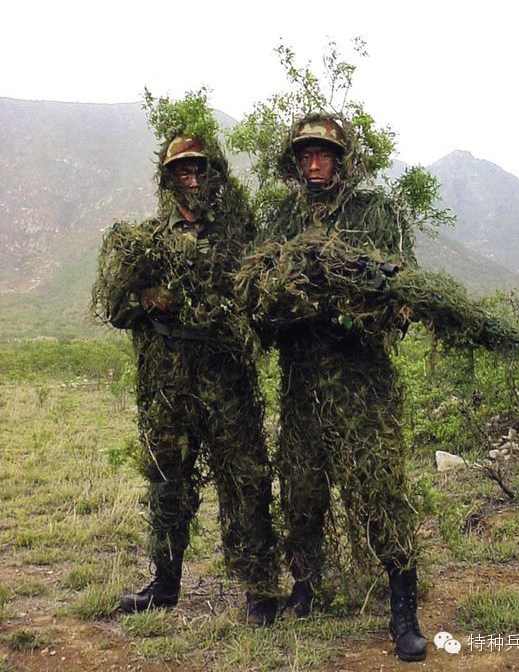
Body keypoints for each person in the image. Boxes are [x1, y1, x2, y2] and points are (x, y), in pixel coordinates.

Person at [236, 112, 519, 661]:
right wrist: (293, 303)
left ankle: (403, 614)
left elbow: (401, 297)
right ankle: (304, 590)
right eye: (306, 155)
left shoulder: (375, 213)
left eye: (324, 155)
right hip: (301, 386)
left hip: (362, 387)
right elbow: (258, 299)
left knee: (381, 496)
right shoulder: (281, 219)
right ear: (295, 162)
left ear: (342, 161)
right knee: (301, 494)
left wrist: (352, 308)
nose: (314, 164)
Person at [93, 131, 279, 625]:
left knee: (245, 483)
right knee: (167, 484)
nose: (192, 178)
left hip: (227, 384)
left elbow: (258, 306)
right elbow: (114, 308)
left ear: (212, 176)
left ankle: (259, 591)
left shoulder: (236, 239)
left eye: (199, 170)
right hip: (167, 388)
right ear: (169, 178)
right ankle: (165, 583)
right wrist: (149, 301)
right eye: (183, 171)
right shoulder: (149, 240)